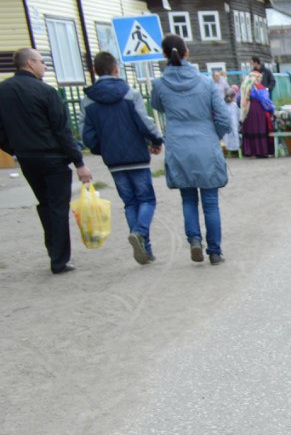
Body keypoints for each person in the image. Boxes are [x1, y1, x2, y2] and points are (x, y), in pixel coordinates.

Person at [0, 48, 93, 274]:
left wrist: (13, 149)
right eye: (42, 62)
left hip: (26, 157)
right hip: (52, 157)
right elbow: (62, 131)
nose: (44, 66)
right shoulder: (45, 91)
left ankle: (53, 250)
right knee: (58, 207)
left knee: (45, 204)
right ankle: (60, 260)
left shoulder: (3, 91)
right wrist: (79, 162)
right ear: (30, 63)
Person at [149, 34, 232, 265]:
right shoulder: (206, 83)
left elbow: (156, 104)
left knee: (188, 198)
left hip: (178, 146)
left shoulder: (159, 84)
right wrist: (213, 136)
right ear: (187, 53)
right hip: (206, 144)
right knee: (210, 202)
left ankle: (194, 240)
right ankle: (215, 252)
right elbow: (223, 118)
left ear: (165, 54)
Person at [81, 51, 165, 265]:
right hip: (136, 155)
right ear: (116, 68)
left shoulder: (88, 99)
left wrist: (102, 148)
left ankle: (144, 249)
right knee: (146, 199)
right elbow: (143, 121)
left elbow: (86, 133)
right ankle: (139, 233)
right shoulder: (129, 93)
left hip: (114, 160)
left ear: (95, 71)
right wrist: (155, 140)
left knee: (129, 203)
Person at [239, 72, 274, 158]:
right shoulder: (260, 87)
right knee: (259, 128)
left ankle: (250, 151)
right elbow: (265, 100)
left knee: (250, 129)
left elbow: (238, 99)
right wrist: (271, 109)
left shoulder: (244, 88)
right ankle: (260, 151)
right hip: (258, 110)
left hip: (247, 111)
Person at [212, 71, 242, 154]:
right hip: (216, 104)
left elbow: (229, 91)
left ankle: (233, 147)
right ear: (213, 77)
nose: (217, 78)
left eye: (218, 76)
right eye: (215, 76)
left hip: (224, 102)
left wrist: (229, 98)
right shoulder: (211, 84)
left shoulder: (223, 82)